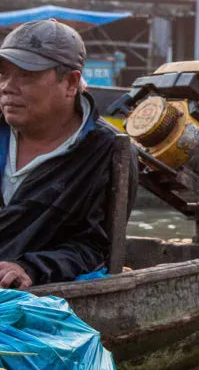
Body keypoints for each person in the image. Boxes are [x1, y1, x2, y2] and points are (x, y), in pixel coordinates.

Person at [0, 19, 121, 288]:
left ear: (70, 82)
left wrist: (29, 268)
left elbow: (95, 249)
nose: (7, 86)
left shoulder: (105, 150)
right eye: (3, 74)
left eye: (26, 75)